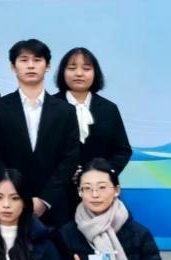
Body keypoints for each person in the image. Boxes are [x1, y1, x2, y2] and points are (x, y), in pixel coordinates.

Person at [0, 39, 79, 226]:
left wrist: (45, 200)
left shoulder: (65, 111)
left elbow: (70, 159)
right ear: (13, 67)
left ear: (47, 66)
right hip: (8, 205)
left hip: (54, 207)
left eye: (37, 60)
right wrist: (16, 196)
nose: (31, 65)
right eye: (24, 60)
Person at [56, 47, 133, 176]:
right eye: (72, 68)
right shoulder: (49, 106)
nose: (79, 73)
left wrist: (105, 174)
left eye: (86, 69)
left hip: (99, 185)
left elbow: (122, 150)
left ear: (95, 73)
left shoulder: (109, 109)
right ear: (62, 72)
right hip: (57, 185)